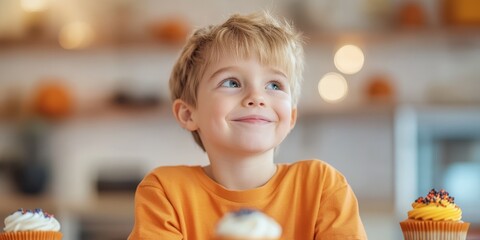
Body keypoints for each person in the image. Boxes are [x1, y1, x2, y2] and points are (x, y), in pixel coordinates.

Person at [128, 11, 367, 240]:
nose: (256, 97)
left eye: (274, 85)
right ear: (189, 114)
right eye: (231, 82)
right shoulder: (165, 192)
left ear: (291, 116)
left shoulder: (322, 186)